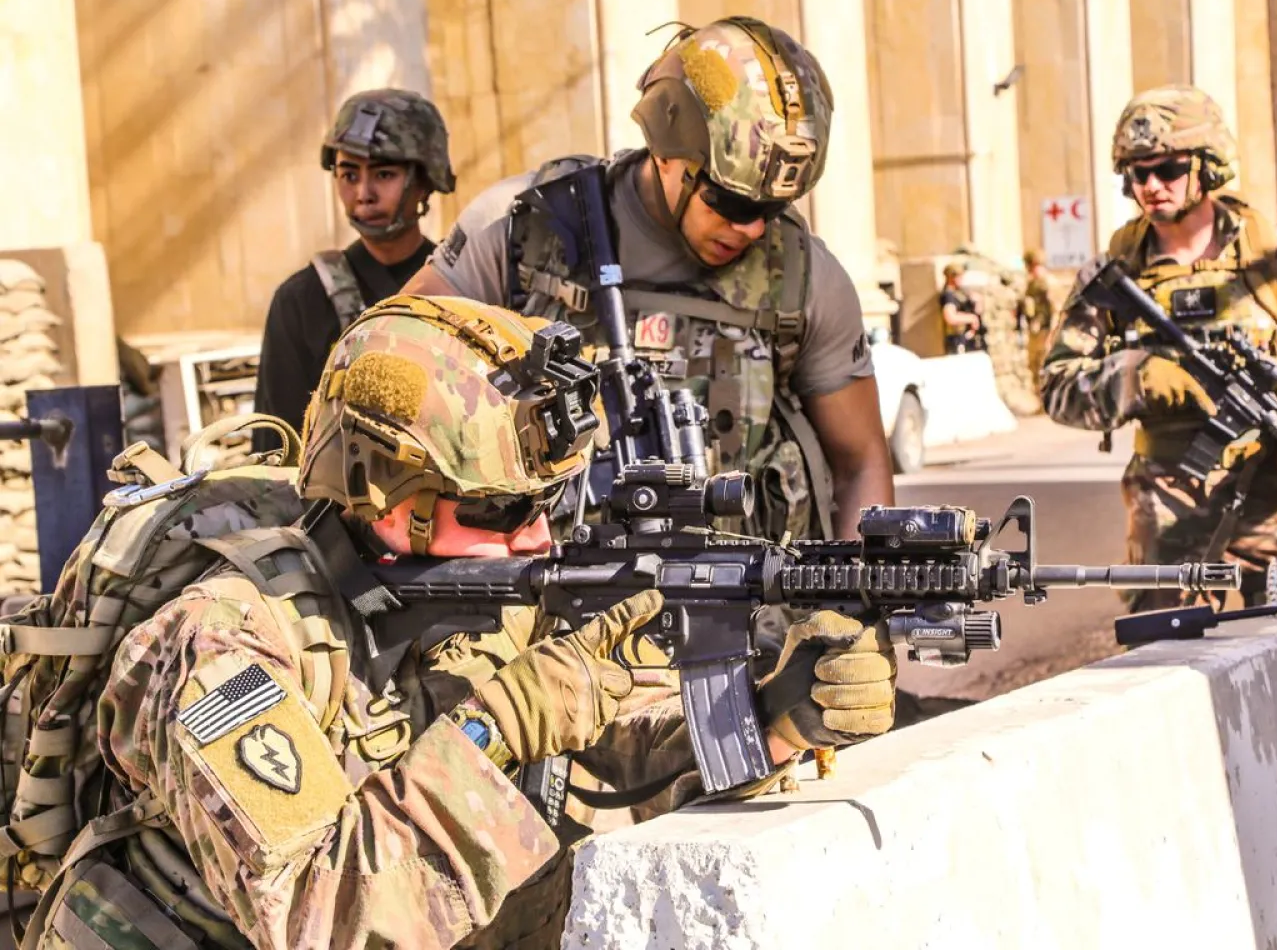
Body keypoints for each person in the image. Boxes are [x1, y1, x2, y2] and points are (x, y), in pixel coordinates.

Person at [30, 296, 897, 949]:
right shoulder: (216, 645)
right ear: (384, 495)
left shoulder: (476, 594)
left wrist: (773, 716)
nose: (536, 534)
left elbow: (616, 750)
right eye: (497, 508)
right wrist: (498, 724)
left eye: (548, 501)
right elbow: (321, 917)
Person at [401, 16, 892, 543]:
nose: (750, 228)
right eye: (729, 201)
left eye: (773, 208)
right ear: (665, 153)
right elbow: (395, 369)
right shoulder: (520, 230)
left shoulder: (805, 278)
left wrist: (848, 611)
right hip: (541, 609)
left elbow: (860, 463)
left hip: (747, 613)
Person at [1040, 84, 1277, 609]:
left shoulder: (1273, 258)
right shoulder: (1114, 274)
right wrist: (1136, 377)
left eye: (1167, 169)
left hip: (1276, 522)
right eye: (1137, 172)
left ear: (1207, 166)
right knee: (1165, 676)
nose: (1151, 185)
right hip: (1167, 530)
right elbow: (1056, 386)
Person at [251, 89, 454, 455]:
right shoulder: (301, 300)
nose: (363, 193)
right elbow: (275, 452)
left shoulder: (461, 286)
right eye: (348, 175)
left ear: (426, 180)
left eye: (384, 174)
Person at [1021, 250, 1055, 386]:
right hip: (1035, 333)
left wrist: (1051, 337)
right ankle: (1039, 403)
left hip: (1047, 333)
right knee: (1034, 369)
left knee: (1045, 370)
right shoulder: (1031, 284)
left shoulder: (1049, 284)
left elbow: (1056, 312)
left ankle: (1046, 406)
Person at [938, 262, 987, 355]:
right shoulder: (949, 295)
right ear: (951, 277)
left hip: (966, 339)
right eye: (959, 277)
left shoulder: (959, 292)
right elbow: (950, 317)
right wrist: (971, 318)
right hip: (958, 340)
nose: (962, 280)